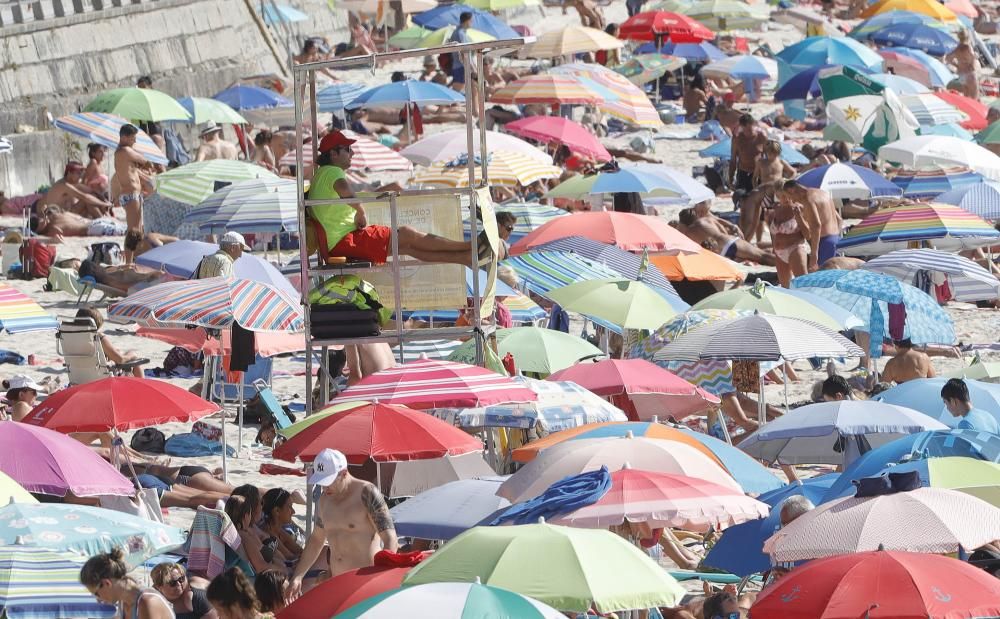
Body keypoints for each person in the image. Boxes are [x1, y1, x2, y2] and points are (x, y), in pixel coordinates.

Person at [306, 130, 490, 267]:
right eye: (347, 149)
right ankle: (470, 246)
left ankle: (465, 257)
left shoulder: (321, 173)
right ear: (333, 154)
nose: (352, 153)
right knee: (407, 234)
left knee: (408, 247)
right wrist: (360, 211)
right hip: (344, 240)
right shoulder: (332, 171)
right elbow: (347, 192)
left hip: (339, 241)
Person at [288, 449, 398, 596]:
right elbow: (316, 540)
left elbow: (390, 538)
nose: (324, 487)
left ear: (344, 473)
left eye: (329, 482)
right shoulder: (324, 500)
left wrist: (382, 576)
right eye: (321, 482)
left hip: (365, 581)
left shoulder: (367, 493)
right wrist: (298, 576)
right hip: (337, 581)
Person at [80, 547, 175, 619]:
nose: (98, 600)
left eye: (96, 593)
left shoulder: (146, 602)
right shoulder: (124, 600)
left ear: (107, 583)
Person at [677, 208, 775, 265]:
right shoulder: (705, 220)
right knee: (761, 255)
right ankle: (784, 263)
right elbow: (721, 220)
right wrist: (734, 226)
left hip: (722, 254)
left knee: (759, 257)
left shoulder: (688, 232)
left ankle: (781, 260)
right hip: (728, 241)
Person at [779, 180, 840, 270]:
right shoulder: (822, 192)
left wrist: (814, 254)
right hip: (836, 239)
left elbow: (816, 226)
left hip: (825, 242)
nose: (793, 200)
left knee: (823, 279)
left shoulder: (808, 199)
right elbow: (839, 219)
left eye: (790, 197)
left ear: (792, 190)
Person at [115, 123, 155, 250]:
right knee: (133, 231)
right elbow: (146, 161)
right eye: (133, 138)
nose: (135, 141)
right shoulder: (125, 151)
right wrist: (147, 164)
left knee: (136, 230)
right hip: (131, 195)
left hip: (132, 194)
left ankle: (133, 259)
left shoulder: (122, 152)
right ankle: (128, 261)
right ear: (125, 137)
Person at [76, 307, 146, 377]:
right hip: (100, 377)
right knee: (135, 359)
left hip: (79, 376)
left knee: (119, 352)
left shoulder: (71, 336)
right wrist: (132, 356)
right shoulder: (98, 337)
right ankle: (143, 387)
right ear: (96, 323)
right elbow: (120, 360)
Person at [224, 495, 287, 574]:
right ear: (246, 516)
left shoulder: (229, 534)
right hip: (255, 580)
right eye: (250, 513)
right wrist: (285, 570)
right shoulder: (243, 536)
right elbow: (261, 567)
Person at [769, 182, 813, 287]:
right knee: (785, 288)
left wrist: (799, 218)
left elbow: (808, 234)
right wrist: (774, 248)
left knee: (803, 284)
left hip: (795, 249)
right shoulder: (775, 209)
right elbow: (773, 234)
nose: (783, 199)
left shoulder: (798, 208)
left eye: (785, 195)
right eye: (779, 196)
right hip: (779, 252)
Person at [42, 162, 113, 218]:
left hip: (69, 213)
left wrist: (104, 201)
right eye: (78, 174)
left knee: (94, 197)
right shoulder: (63, 185)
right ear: (69, 173)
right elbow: (85, 197)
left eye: (81, 173)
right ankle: (103, 220)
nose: (81, 176)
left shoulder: (73, 183)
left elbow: (92, 191)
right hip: (59, 216)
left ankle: (106, 218)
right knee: (88, 201)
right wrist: (104, 204)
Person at [150, 563, 216, 619]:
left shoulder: (195, 596)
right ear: (159, 587)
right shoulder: (153, 598)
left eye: (181, 579)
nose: (179, 584)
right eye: (172, 583)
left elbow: (216, 615)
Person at [29, 206, 125, 240]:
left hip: (92, 229)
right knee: (128, 229)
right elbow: (79, 218)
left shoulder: (52, 230)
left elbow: (58, 239)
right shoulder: (59, 215)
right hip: (95, 222)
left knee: (126, 232)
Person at [728, 114, 768, 194]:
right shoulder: (737, 139)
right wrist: (731, 178)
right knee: (742, 198)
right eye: (746, 130)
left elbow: (768, 157)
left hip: (758, 173)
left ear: (753, 125)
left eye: (750, 129)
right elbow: (733, 159)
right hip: (743, 172)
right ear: (741, 127)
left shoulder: (762, 136)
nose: (748, 132)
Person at [261, 488, 303, 559]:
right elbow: (290, 557)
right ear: (277, 511)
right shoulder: (268, 534)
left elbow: (299, 551)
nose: (293, 511)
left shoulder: (277, 529)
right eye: (290, 507)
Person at [78, 259, 161, 294]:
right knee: (160, 274)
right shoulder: (109, 280)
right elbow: (129, 287)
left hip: (144, 275)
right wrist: (145, 282)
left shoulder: (105, 273)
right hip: (146, 281)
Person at [946, 29, 980, 100]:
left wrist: (957, 65)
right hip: (969, 73)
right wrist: (973, 63)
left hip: (961, 74)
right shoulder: (968, 46)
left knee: (966, 97)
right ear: (968, 37)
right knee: (975, 97)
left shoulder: (957, 48)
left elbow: (948, 58)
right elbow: (972, 57)